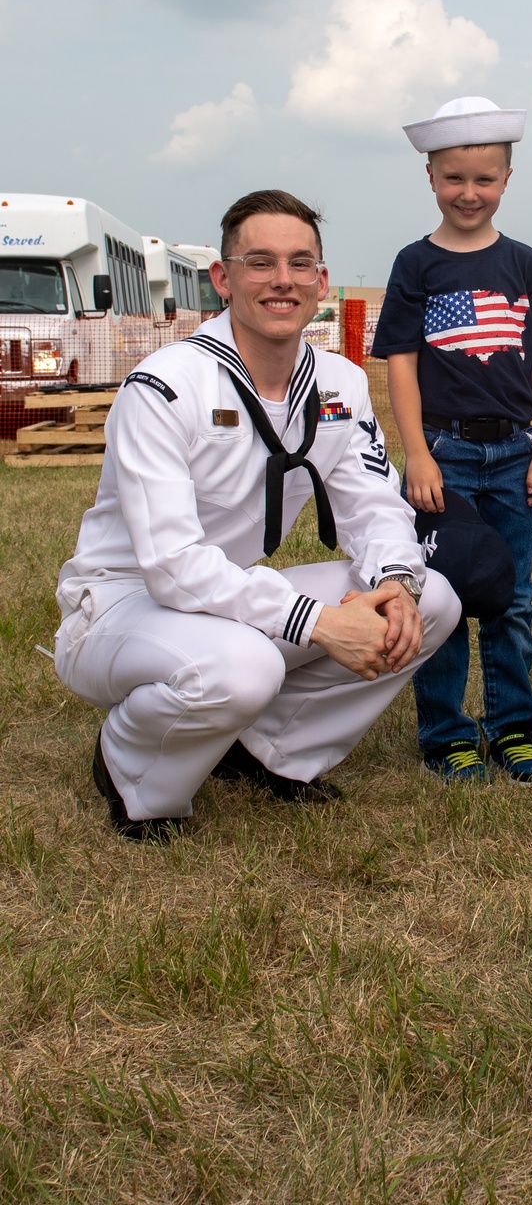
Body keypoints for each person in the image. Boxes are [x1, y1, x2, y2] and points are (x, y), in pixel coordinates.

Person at [54, 189, 461, 840]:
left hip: (221, 601)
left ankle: (270, 753)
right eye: (260, 262)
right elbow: (172, 567)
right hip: (119, 605)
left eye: (301, 264)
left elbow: (375, 505)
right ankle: (132, 773)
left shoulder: (339, 383)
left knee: (430, 598)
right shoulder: (166, 384)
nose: (282, 280)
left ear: (321, 281)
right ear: (224, 277)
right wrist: (320, 623)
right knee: (247, 665)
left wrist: (392, 582)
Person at [371, 96, 532, 784]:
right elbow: (401, 362)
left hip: (514, 454)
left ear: (507, 180)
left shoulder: (522, 263)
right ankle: (447, 736)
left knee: (512, 599)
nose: (469, 192)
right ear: (430, 176)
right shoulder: (415, 265)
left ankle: (512, 729)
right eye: (454, 178)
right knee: (446, 599)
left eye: (484, 179)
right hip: (445, 455)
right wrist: (418, 454)